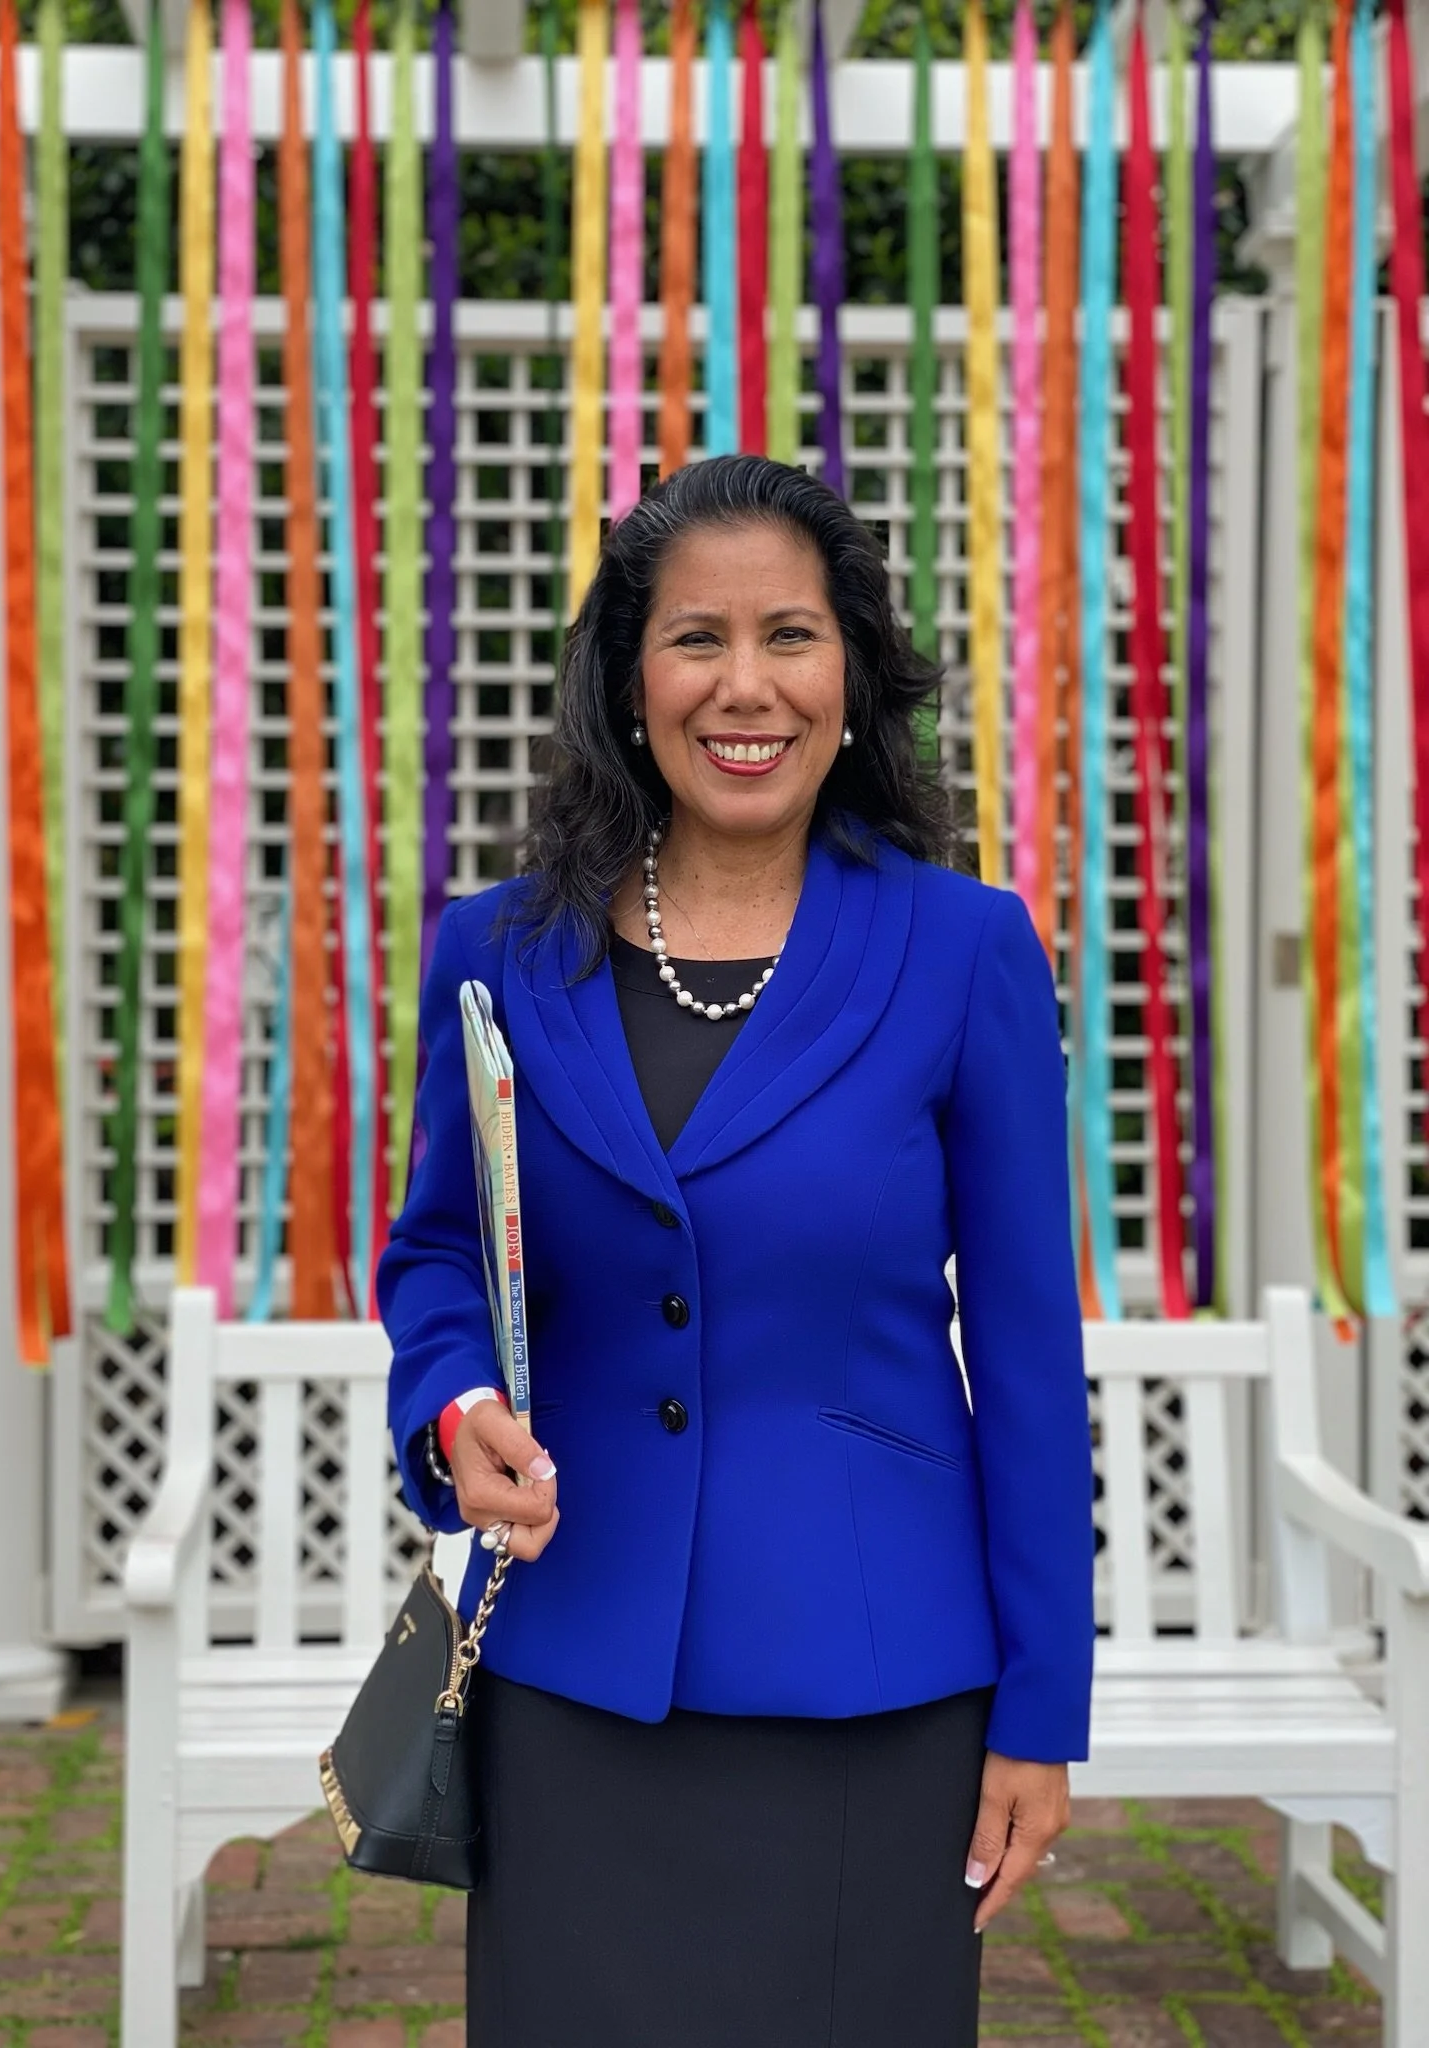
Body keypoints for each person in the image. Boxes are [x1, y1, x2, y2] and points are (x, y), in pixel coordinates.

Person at [377, 454, 1095, 2048]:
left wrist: (1043, 1711)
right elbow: (437, 1254)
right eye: (697, 638)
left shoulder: (964, 948)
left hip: (876, 1685)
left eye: (794, 634)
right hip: (574, 1663)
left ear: (854, 673)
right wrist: (450, 1408)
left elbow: (1034, 1356)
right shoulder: (496, 949)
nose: (746, 684)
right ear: (630, 682)